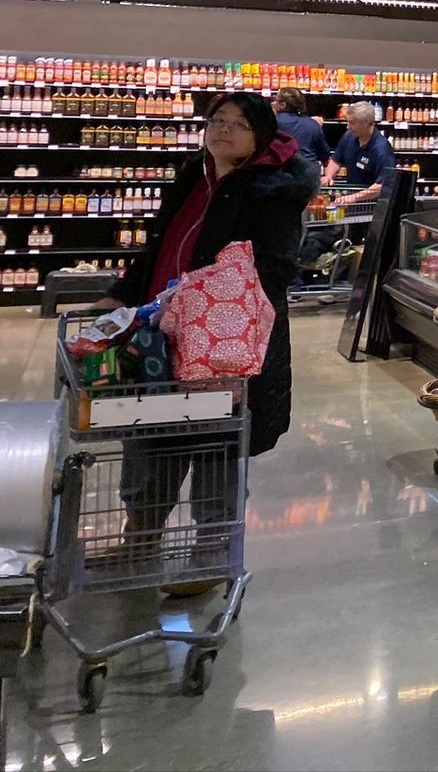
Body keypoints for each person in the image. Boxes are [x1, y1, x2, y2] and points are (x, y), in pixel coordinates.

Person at [110, 92, 318, 587]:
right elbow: (160, 241)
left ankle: (212, 555)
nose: (225, 130)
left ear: (260, 136)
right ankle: (139, 538)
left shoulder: (274, 189)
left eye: (240, 124)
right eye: (217, 120)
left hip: (224, 344)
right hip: (160, 332)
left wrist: (204, 298)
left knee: (214, 443)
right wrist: (119, 295)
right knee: (151, 432)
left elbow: (275, 267)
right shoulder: (193, 174)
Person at [324, 102, 395, 205]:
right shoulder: (349, 136)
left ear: (366, 122)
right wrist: (329, 176)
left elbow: (382, 186)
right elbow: (336, 160)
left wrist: (354, 197)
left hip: (370, 207)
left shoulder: (381, 149)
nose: (348, 127)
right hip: (351, 204)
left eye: (352, 123)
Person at [273, 88, 330, 166]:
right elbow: (324, 153)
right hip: (308, 171)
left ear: (283, 105)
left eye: (276, 101)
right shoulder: (313, 123)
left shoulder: (273, 122)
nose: (273, 103)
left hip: (281, 171)